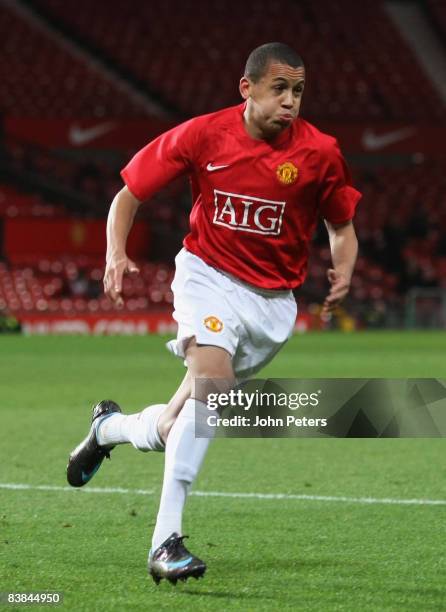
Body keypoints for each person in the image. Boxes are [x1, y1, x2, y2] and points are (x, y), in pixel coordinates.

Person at [67, 42, 360, 585]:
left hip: (271, 306)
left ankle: (108, 429)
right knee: (215, 391)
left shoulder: (321, 153)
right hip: (206, 275)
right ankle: (165, 542)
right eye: (280, 89)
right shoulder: (203, 135)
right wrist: (115, 250)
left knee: (181, 420)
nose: (291, 101)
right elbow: (128, 193)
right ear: (246, 89)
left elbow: (341, 227)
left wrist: (344, 269)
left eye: (298, 91)